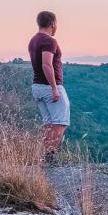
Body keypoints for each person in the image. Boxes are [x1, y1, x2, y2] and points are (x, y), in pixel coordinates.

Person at [29, 11, 68, 163]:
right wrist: (54, 88)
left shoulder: (33, 40)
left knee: (48, 122)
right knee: (60, 121)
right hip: (48, 87)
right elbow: (47, 64)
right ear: (53, 23)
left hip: (37, 86)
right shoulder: (49, 41)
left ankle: (47, 155)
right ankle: (50, 155)